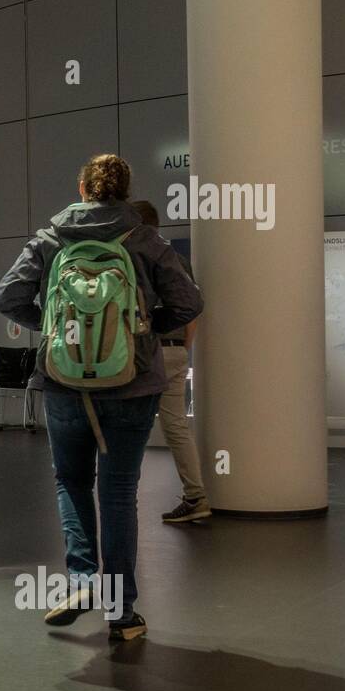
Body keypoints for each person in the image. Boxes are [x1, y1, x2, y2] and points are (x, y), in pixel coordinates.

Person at [0, 155, 202, 640]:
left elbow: (7, 296)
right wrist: (142, 336)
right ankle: (122, 613)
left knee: (71, 482)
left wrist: (52, 333)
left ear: (82, 187)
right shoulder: (146, 240)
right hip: (131, 385)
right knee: (119, 493)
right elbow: (190, 302)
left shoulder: (51, 238)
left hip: (64, 383)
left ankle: (84, 578)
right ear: (126, 192)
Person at [130, 200, 212, 523]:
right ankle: (196, 496)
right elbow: (193, 309)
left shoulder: (137, 258)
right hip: (176, 349)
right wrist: (181, 347)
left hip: (147, 350)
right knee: (177, 426)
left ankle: (123, 495)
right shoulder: (178, 260)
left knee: (132, 423)